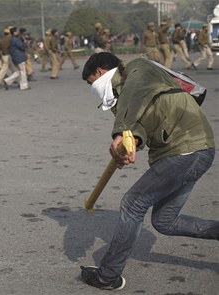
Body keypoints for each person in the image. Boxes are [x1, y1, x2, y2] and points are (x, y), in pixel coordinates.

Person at [79, 52, 218, 290]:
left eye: (92, 83)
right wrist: (130, 144)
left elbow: (133, 100)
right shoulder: (128, 96)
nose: (94, 89)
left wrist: (121, 131)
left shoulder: (138, 69)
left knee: (133, 203)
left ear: (100, 73)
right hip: (192, 151)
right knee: (165, 221)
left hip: (186, 148)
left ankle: (109, 275)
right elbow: (140, 125)